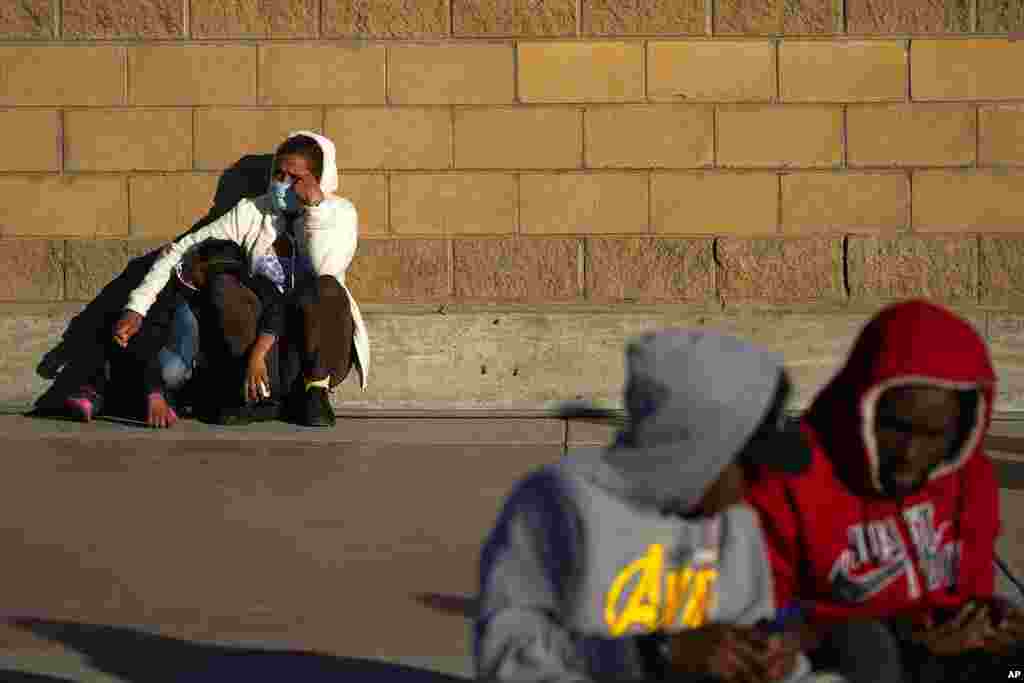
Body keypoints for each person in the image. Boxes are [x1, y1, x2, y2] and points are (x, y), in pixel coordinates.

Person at [474, 328, 844, 682]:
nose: (757, 484)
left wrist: (775, 659)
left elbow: (751, 631)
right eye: (749, 466)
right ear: (698, 453)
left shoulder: (735, 520)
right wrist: (652, 653)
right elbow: (505, 653)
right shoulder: (560, 501)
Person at [745, 299, 1024, 683]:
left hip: (941, 654)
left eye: (932, 435)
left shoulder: (969, 476)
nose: (910, 453)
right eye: (895, 427)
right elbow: (759, 616)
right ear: (861, 406)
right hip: (835, 661)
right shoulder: (787, 476)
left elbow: (968, 589)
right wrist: (898, 634)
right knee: (869, 649)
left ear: (962, 430)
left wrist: (990, 619)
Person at [111, 132, 370, 427]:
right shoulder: (252, 211)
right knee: (225, 283)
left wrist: (314, 207)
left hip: (317, 353)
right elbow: (183, 250)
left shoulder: (340, 213)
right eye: (278, 173)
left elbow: (327, 266)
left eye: (293, 177)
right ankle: (258, 397)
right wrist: (137, 307)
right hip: (263, 349)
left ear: (316, 178)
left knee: (326, 288)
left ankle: (314, 394)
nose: (281, 183)